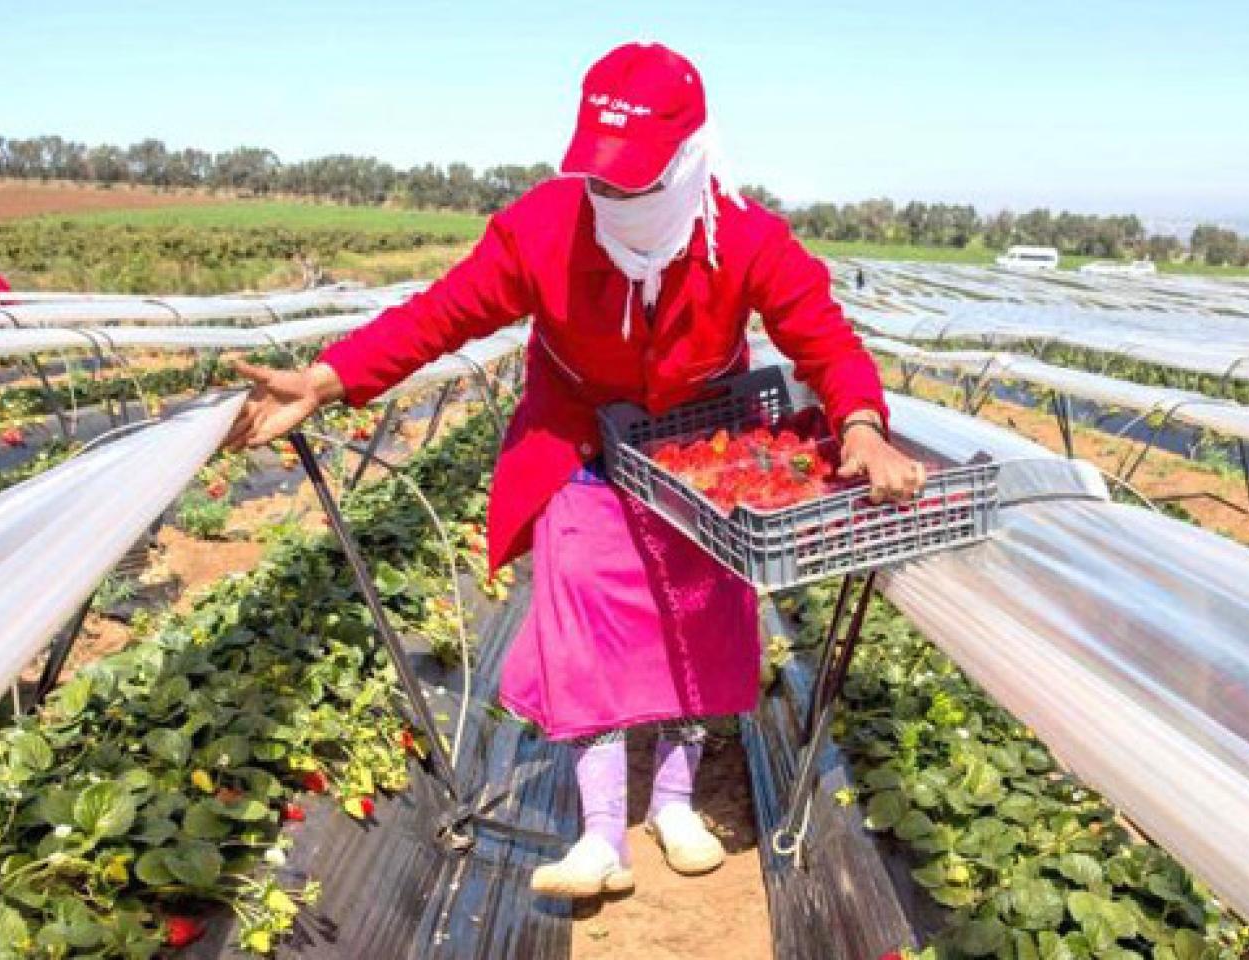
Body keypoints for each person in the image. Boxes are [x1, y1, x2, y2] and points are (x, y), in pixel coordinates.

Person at [224, 42, 924, 898]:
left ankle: (673, 803)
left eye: (637, 181)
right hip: (580, 444)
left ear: (689, 160)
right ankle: (600, 835)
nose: (616, 198)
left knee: (701, 626)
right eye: (604, 179)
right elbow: (442, 315)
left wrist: (860, 423)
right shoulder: (544, 229)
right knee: (585, 620)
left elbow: (824, 337)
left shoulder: (743, 237)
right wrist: (330, 378)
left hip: (701, 462)